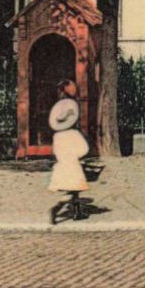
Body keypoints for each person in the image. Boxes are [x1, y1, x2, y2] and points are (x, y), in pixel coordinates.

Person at [47, 79, 91, 223]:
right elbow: (83, 149)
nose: (75, 88)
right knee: (72, 188)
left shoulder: (58, 132)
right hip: (71, 162)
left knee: (74, 188)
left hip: (62, 161)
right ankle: (56, 208)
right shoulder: (72, 130)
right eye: (72, 86)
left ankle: (77, 212)